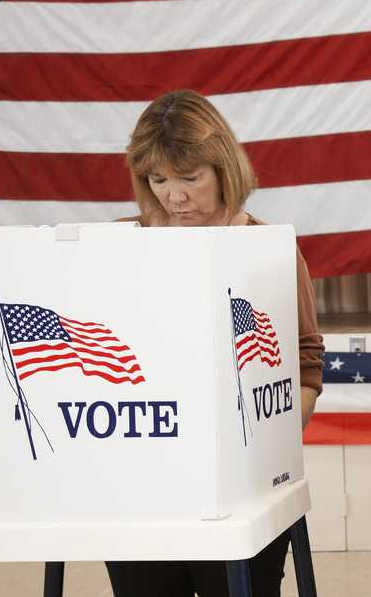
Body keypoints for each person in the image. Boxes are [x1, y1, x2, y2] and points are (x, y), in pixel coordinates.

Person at [105, 90, 324, 597]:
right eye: (158, 180)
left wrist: (265, 446)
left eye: (190, 177)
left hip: (245, 490)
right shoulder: (119, 247)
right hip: (142, 486)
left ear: (223, 167)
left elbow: (307, 369)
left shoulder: (269, 250)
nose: (174, 196)